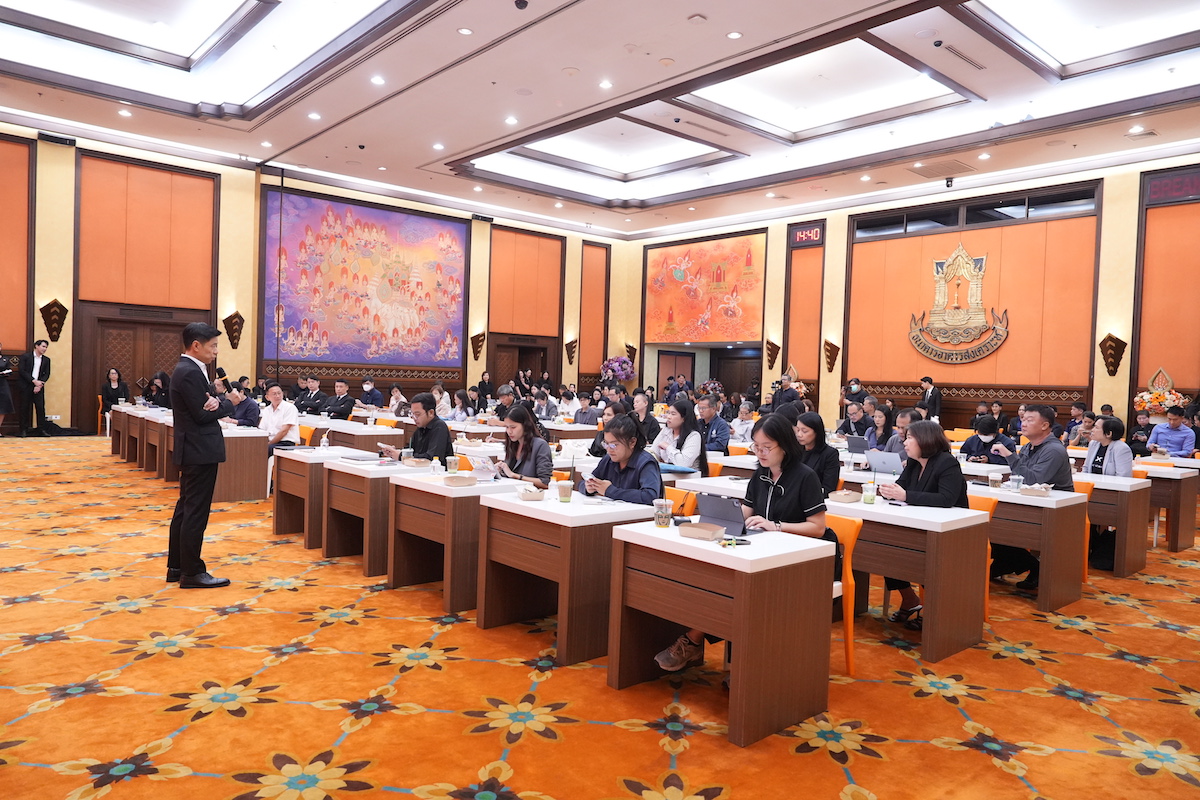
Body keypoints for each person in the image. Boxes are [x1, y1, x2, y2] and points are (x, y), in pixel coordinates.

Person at [654, 414, 832, 671]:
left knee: (737, 590)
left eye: (766, 447)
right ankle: (714, 651)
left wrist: (776, 526)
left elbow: (817, 527)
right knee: (717, 580)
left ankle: (704, 646)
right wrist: (721, 517)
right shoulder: (760, 475)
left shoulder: (806, 477)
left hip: (799, 559)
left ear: (784, 445)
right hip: (762, 552)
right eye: (756, 446)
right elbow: (746, 513)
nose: (760, 453)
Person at [877, 420, 968, 628]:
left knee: (924, 560)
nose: (904, 442)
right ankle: (909, 598)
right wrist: (889, 491)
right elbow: (901, 487)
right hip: (919, 524)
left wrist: (905, 495)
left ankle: (937, 611)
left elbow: (946, 499)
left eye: (910, 438)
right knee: (886, 548)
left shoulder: (947, 463)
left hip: (949, 532)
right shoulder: (913, 462)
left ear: (925, 440)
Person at [167, 322, 234, 589]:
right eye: (213, 346)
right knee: (195, 512)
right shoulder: (189, 372)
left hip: (194, 448)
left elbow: (206, 405)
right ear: (196, 345)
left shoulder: (189, 370)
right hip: (199, 449)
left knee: (185, 509)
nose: (216, 351)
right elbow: (202, 414)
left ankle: (177, 566)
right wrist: (229, 403)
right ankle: (192, 572)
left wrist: (216, 401)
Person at [989, 405, 1075, 589]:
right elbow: (1022, 478)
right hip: (1032, 501)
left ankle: (1032, 566)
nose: (1023, 423)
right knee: (994, 520)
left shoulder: (1054, 450)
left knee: (1003, 523)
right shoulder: (1029, 446)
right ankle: (1011, 561)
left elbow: (1032, 479)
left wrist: (1009, 455)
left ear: (1045, 425)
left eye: (1029, 420)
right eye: (1023, 419)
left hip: (1057, 509)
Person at [578, 413, 662, 504]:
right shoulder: (608, 460)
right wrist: (588, 488)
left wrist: (610, 491)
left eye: (614, 445)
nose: (609, 449)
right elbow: (582, 483)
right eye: (606, 443)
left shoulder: (646, 463)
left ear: (632, 442)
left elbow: (650, 496)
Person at [1085, 416, 1133, 570]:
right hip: (1092, 491)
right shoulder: (1093, 444)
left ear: (1109, 433)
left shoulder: (1121, 448)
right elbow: (1086, 469)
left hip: (1112, 495)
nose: (1092, 430)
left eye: (1096, 427)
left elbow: (1123, 477)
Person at [382, 392, 454, 464]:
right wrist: (396, 452)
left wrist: (401, 456)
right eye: (412, 414)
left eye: (417, 414)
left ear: (431, 413)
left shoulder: (439, 427)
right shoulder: (421, 427)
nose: (414, 418)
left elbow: (431, 458)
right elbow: (411, 449)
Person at [494, 404, 553, 488]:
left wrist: (515, 476)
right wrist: (500, 471)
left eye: (513, 427)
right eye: (507, 427)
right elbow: (510, 475)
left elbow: (544, 483)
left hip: (531, 494)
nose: (509, 431)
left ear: (525, 426)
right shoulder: (513, 444)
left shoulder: (540, 445)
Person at [651, 399, 707, 474]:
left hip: (688, 478)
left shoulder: (694, 436)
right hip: (668, 476)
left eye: (673, 414)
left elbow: (683, 464)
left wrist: (668, 447)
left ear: (684, 418)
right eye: (668, 413)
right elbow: (653, 452)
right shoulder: (666, 431)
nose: (668, 417)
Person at [795, 411, 839, 496]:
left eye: (804, 431)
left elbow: (829, 488)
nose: (799, 435)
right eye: (798, 430)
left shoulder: (829, 454)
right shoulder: (795, 451)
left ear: (816, 432)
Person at [17, 339, 51, 436]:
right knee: (24, 407)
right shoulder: (25, 357)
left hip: (39, 387)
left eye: (46, 347)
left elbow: (47, 374)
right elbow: (22, 371)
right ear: (36, 346)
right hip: (26, 385)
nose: (45, 349)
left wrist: (40, 384)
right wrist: (33, 381)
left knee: (40, 408)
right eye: (43, 346)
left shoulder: (46, 360)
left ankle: (41, 429)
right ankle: (23, 430)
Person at [259, 381, 300, 454]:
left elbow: (284, 431)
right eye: (274, 394)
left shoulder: (290, 408)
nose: (277, 396)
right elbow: (262, 429)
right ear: (267, 397)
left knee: (264, 449)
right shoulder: (267, 410)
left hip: (285, 443)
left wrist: (269, 444)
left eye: (279, 393)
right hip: (270, 442)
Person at [0, 340, 14, 435]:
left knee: (3, 407)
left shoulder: (5, 359)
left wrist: (6, 373)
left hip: (2, 384)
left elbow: (9, 370)